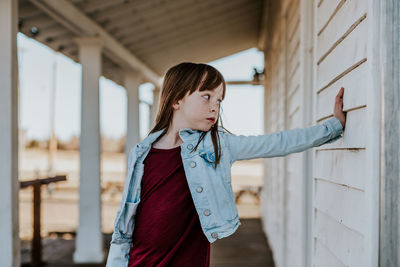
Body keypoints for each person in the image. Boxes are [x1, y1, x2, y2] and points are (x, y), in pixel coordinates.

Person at [105, 62, 346, 267]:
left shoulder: (217, 145)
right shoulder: (142, 153)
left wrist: (332, 126)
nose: (214, 106)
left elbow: (277, 143)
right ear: (177, 99)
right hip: (141, 261)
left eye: (219, 100)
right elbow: (126, 219)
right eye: (207, 96)